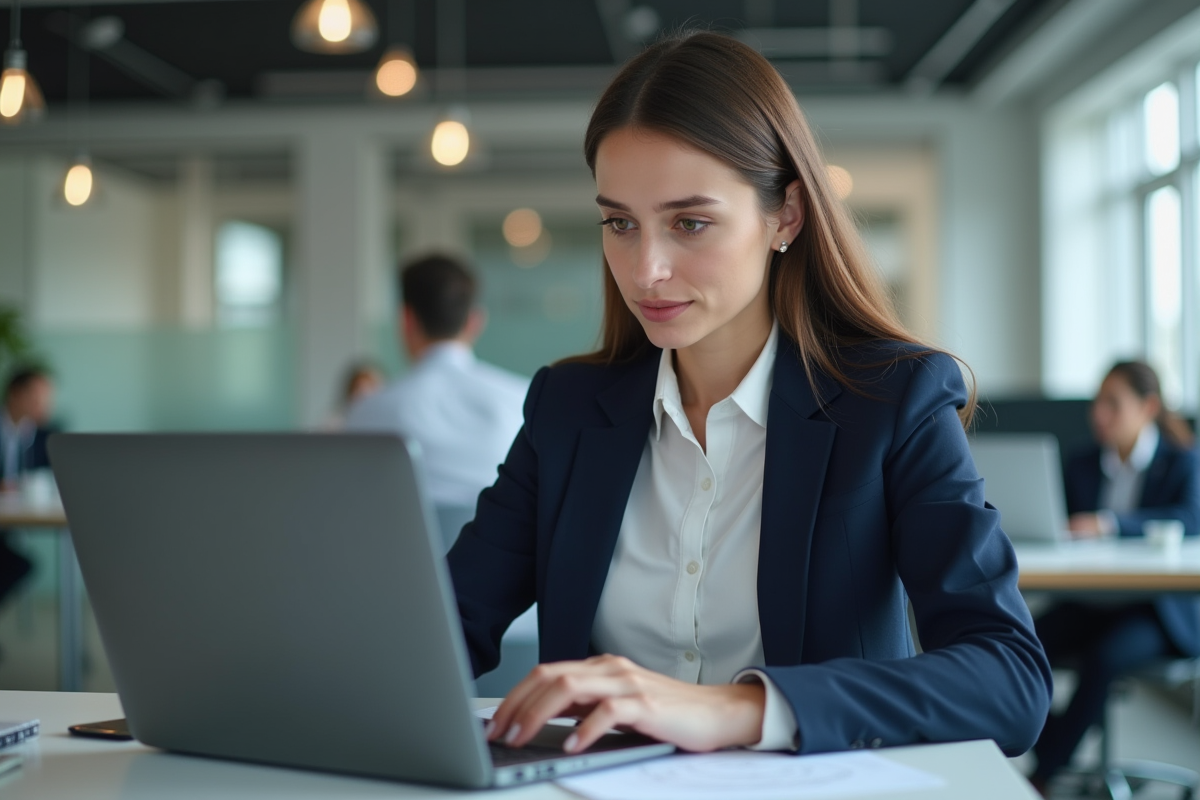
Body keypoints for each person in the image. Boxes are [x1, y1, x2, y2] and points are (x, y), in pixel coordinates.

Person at [447, 31, 1051, 758]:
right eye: (619, 224)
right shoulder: (567, 410)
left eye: (690, 223)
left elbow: (1010, 680)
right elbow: (443, 626)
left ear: (786, 216)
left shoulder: (889, 401)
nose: (646, 271)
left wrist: (738, 709)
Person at [1031, 361, 1200, 788]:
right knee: (1020, 643)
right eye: (1098, 403)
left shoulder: (1181, 461)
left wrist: (1109, 524)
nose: (1100, 415)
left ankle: (1044, 775)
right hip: (1094, 599)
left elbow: (1190, 518)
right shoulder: (1083, 462)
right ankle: (1053, 748)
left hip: (1157, 608)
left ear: (1148, 407)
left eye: (1114, 404)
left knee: (1104, 659)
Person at [346, 254, 529, 508]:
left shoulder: (366, 412)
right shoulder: (525, 402)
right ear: (474, 321)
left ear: (406, 321)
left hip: (398, 548)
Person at [0, 365, 57, 611]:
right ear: (15, 394)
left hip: (17, 520)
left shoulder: (47, 435)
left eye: (47, 399)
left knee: (21, 564)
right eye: (36, 397)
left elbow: (53, 479)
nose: (43, 405)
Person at [322, 360, 384, 430]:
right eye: (358, 388)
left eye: (370, 386)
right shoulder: (335, 422)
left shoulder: (384, 419)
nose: (364, 393)